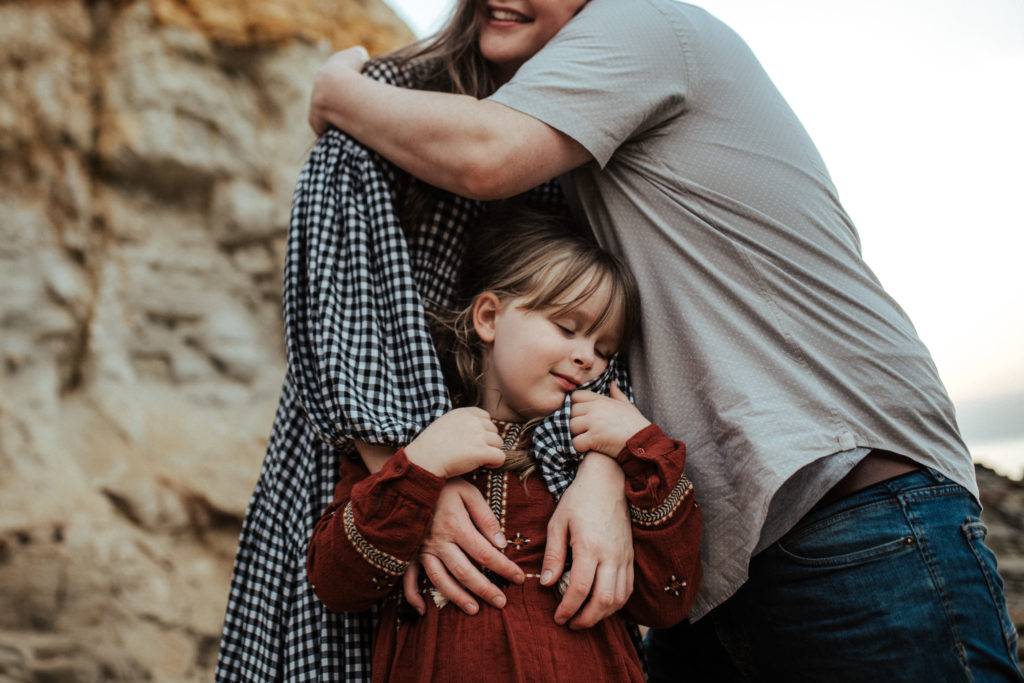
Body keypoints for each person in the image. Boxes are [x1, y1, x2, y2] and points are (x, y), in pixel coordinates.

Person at [307, 0, 1023, 679]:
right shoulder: (578, 135)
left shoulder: (640, 24)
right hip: (707, 571)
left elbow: (486, 154)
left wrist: (337, 92)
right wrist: (594, 469)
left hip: (848, 516)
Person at [217, 3, 645, 680]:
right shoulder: (387, 98)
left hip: (539, 472)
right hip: (370, 460)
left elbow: (610, 330)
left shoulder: (598, 141)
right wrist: (415, 477)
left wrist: (603, 472)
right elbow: (337, 308)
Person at [305, 211, 701, 681]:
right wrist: (420, 464)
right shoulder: (413, 444)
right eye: (567, 327)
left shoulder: (600, 464)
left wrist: (640, 446)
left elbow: (668, 599)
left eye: (605, 350)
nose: (587, 356)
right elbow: (335, 582)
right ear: (490, 317)